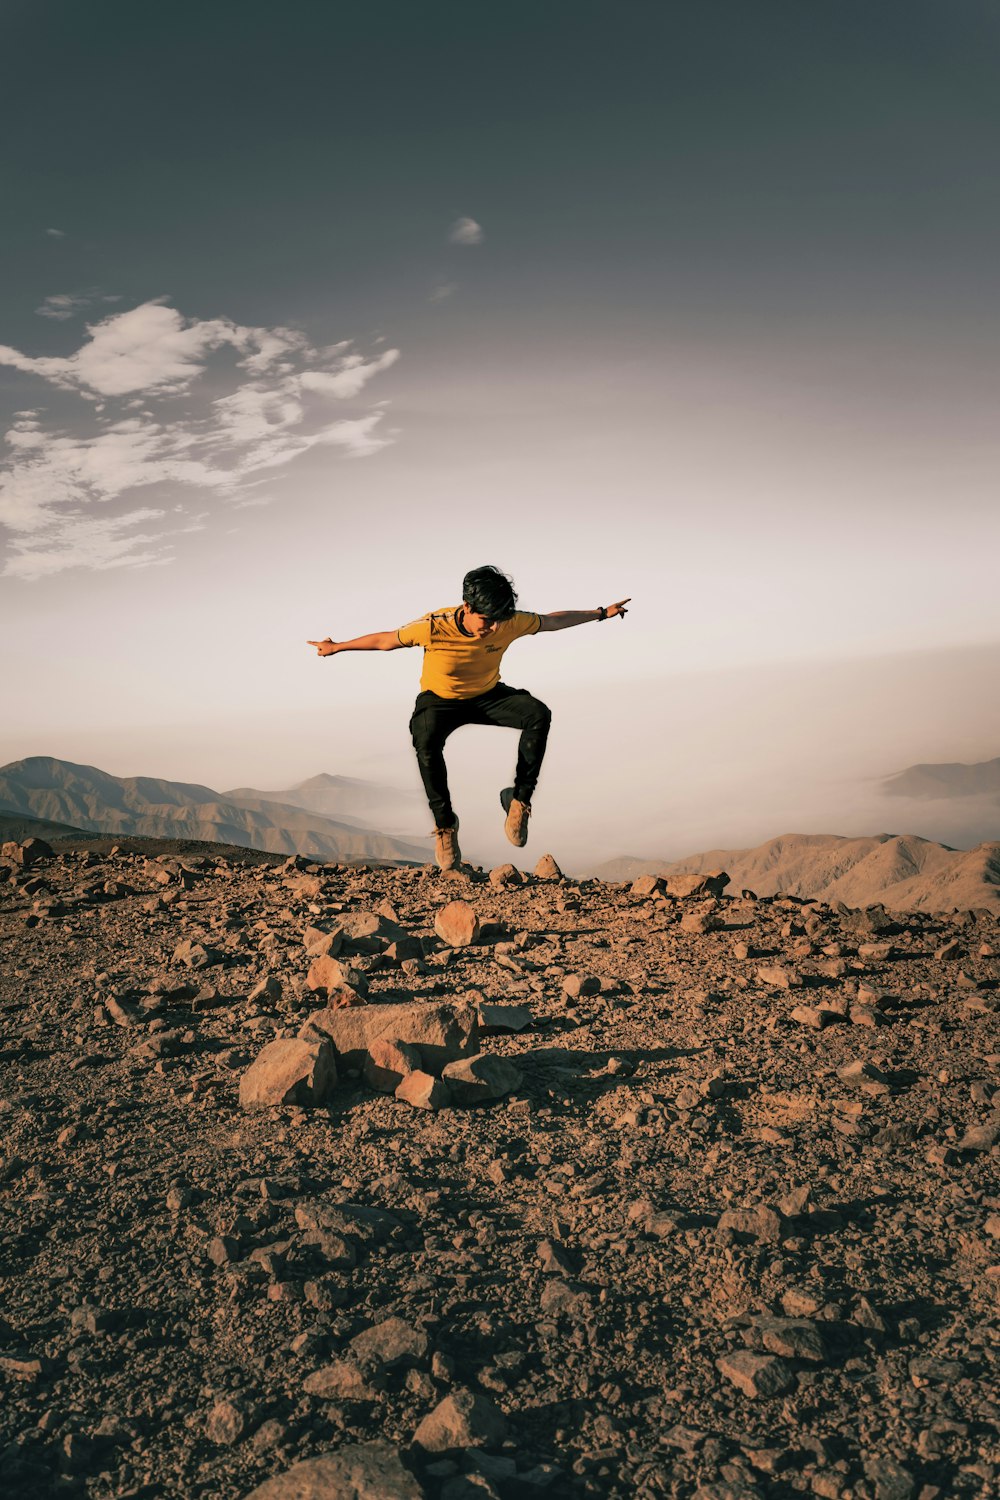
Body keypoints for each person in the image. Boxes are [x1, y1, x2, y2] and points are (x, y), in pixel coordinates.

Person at [309, 565, 629, 869]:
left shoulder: (510, 620)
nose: (491, 628)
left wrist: (601, 613)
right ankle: (445, 826)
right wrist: (336, 647)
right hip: (440, 700)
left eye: (498, 621)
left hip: (487, 695)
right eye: (486, 620)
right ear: (466, 606)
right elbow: (385, 640)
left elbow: (552, 621)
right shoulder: (433, 626)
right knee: (425, 740)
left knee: (537, 714)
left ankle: (518, 802)